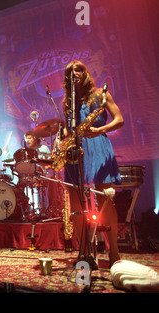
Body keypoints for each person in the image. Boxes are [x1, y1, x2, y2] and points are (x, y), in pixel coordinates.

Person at [61, 60, 124, 267]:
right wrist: (63, 143)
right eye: (70, 71)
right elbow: (70, 130)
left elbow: (119, 120)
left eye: (78, 69)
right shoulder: (67, 102)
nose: (75, 73)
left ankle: (113, 251)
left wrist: (99, 130)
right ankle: (84, 252)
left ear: (86, 72)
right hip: (76, 150)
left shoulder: (100, 94)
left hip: (97, 144)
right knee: (76, 201)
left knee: (105, 196)